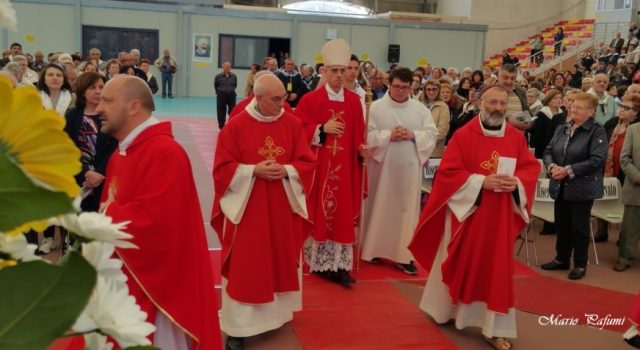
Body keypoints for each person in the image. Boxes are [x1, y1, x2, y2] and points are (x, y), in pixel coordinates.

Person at [408, 84, 540, 350]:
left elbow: (530, 169)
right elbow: (447, 173)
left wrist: (516, 182)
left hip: (500, 217)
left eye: (503, 104)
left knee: (496, 270)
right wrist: (481, 182)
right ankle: (443, 310)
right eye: (493, 102)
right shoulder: (463, 135)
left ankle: (494, 328)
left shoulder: (515, 137)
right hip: (467, 216)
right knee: (457, 261)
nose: (498, 108)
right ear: (481, 103)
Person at [97, 75, 221, 349]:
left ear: (133, 106)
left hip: (159, 291)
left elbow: (158, 224)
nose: (98, 108)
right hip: (125, 280)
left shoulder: (166, 152)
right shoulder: (120, 154)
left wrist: (108, 214)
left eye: (107, 100)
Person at [210, 74, 316, 350]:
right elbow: (221, 170)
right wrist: (252, 170)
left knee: (279, 259)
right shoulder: (235, 127)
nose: (283, 104)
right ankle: (238, 327)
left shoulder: (292, 125)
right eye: (276, 99)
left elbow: (306, 163)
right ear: (257, 98)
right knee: (247, 266)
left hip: (281, 209)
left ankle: (277, 317)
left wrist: (287, 170)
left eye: (283, 98)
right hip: (248, 212)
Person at [295, 39, 367, 285]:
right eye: (333, 71)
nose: (338, 75)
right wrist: (320, 129)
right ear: (323, 71)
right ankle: (320, 262)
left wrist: (362, 150)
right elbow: (298, 132)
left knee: (341, 215)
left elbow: (359, 133)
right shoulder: (310, 101)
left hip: (345, 170)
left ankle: (338, 264)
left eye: (342, 70)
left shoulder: (355, 102)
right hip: (320, 170)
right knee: (321, 212)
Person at [361, 67, 438, 274]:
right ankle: (373, 249)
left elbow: (432, 134)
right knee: (379, 205)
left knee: (405, 211)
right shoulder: (375, 108)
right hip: (382, 169)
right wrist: (388, 136)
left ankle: (404, 256)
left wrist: (413, 134)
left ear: (411, 87)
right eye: (396, 86)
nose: (400, 91)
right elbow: (365, 135)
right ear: (389, 84)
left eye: (405, 87)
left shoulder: (420, 109)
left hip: (408, 170)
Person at [541, 93, 607, 280]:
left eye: (579, 107)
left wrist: (567, 170)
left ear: (591, 111)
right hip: (560, 185)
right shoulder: (562, 128)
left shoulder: (597, 131)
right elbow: (548, 151)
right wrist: (552, 166)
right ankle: (562, 259)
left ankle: (580, 263)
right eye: (572, 105)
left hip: (582, 188)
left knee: (579, 228)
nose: (573, 109)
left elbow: (597, 160)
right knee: (562, 225)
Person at [64, 72, 117, 212]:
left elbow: (114, 148)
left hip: (104, 177)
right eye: (92, 87)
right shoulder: (72, 116)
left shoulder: (111, 115)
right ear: (82, 91)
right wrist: (86, 172)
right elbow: (67, 148)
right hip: (79, 177)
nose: (98, 91)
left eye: (101, 87)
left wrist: (98, 174)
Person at [613, 100, 640, 271]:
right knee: (630, 227)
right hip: (635, 186)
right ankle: (624, 258)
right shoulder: (633, 129)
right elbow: (624, 159)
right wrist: (637, 176)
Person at [214, 61, 238, 129]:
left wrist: (230, 90)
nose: (228, 68)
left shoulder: (234, 76)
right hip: (221, 95)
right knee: (221, 111)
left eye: (229, 66)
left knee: (232, 111)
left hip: (231, 96)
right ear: (223, 67)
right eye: (227, 66)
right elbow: (216, 85)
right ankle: (221, 126)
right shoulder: (218, 77)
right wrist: (219, 92)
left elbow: (235, 85)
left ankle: (231, 124)